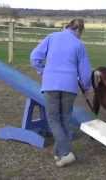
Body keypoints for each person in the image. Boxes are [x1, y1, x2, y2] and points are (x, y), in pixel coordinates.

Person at [30, 19, 92, 167]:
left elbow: (34, 57)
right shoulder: (79, 45)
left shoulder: (52, 37)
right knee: (64, 119)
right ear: (79, 30)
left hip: (51, 84)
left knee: (53, 119)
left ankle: (64, 153)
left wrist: (42, 70)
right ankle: (62, 153)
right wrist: (87, 86)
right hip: (69, 86)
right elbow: (85, 72)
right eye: (81, 34)